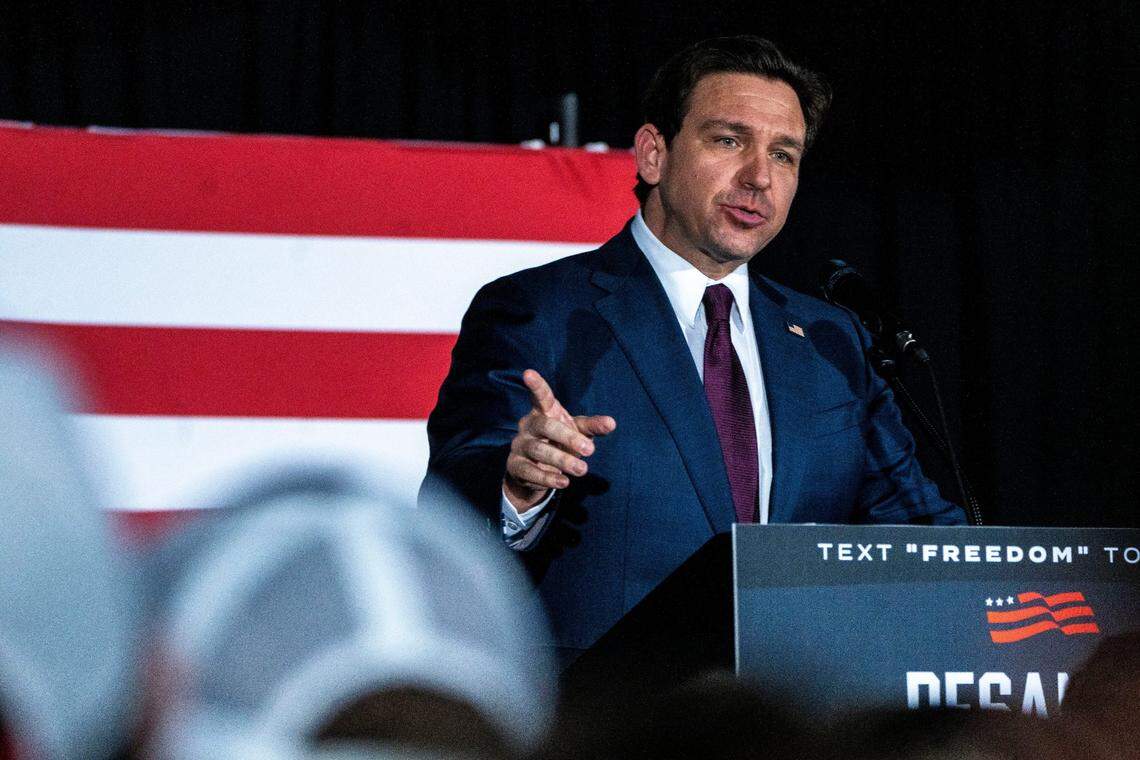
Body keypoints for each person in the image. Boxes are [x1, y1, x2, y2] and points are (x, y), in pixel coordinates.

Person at [423, 35, 965, 660]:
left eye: (783, 154)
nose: (759, 177)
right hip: (610, 703)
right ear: (654, 154)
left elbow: (921, 534)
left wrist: (998, 578)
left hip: (793, 701)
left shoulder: (830, 339)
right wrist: (519, 487)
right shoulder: (540, 312)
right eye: (729, 141)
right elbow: (447, 519)